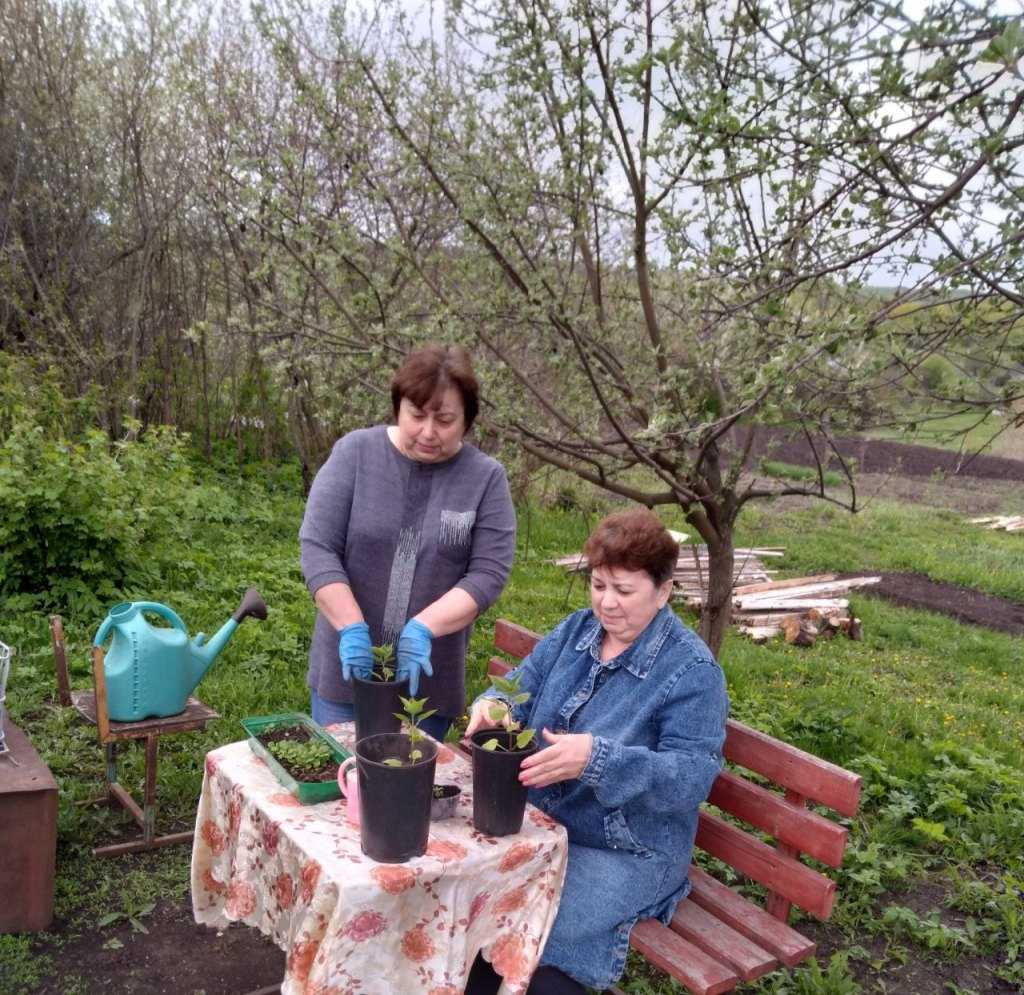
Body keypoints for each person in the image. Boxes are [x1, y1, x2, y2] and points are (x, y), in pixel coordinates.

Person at [464, 508, 729, 995]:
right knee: (472, 909)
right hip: (547, 827)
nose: (606, 603)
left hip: (629, 849)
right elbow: (519, 686)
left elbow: (692, 778)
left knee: (533, 925)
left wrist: (598, 759)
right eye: (599, 585)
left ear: (664, 590)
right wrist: (493, 707)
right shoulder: (576, 631)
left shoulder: (692, 671)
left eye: (624, 591)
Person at [299, 344, 516, 741]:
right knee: (339, 784)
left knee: (409, 787)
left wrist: (423, 628)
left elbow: (488, 573)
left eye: (445, 420)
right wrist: (351, 627)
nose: (429, 432)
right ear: (398, 407)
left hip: (427, 682)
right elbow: (318, 546)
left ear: (467, 420)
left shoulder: (485, 479)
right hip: (345, 674)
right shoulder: (355, 454)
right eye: (417, 416)